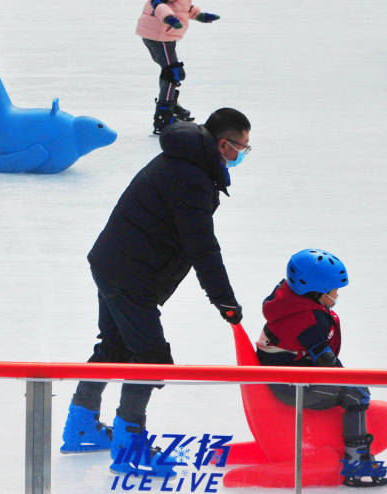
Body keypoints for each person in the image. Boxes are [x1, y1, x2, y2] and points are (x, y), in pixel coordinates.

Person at [59, 108, 250, 475]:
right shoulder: (192, 177)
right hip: (130, 274)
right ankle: (130, 446)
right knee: (149, 356)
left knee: (114, 347)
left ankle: (80, 426)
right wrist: (223, 298)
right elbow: (202, 247)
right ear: (224, 145)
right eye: (242, 147)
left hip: (114, 262)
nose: (242, 154)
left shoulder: (186, 159)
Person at [256, 249, 387, 487]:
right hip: (289, 385)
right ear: (316, 293)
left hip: (283, 369)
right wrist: (349, 383)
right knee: (357, 393)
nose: (337, 295)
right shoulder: (309, 321)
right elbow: (327, 364)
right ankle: (356, 462)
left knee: (351, 386)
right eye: (333, 291)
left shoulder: (286, 295)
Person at [136, 0, 220, 135]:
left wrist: (200, 16)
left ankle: (170, 105)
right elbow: (159, 1)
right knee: (173, 72)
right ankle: (163, 116)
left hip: (161, 33)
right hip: (160, 33)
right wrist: (168, 18)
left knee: (168, 70)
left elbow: (180, 5)